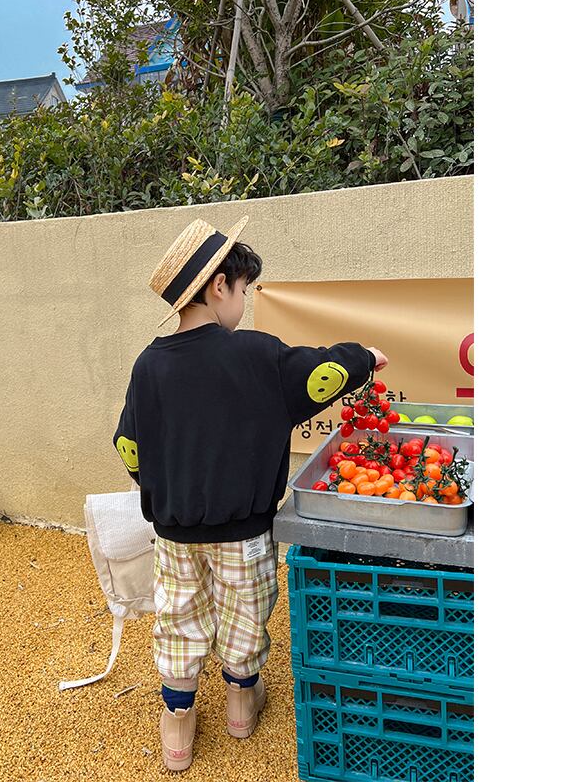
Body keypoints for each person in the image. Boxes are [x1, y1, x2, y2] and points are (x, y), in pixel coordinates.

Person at [112, 215, 388, 771]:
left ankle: (178, 723)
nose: (243, 301)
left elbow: (129, 446)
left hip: (175, 533)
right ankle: (241, 701)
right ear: (220, 286)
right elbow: (317, 373)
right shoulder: (257, 355)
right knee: (245, 610)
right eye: (244, 289)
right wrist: (364, 358)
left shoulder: (149, 365)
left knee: (179, 616)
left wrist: (168, 491)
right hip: (244, 532)